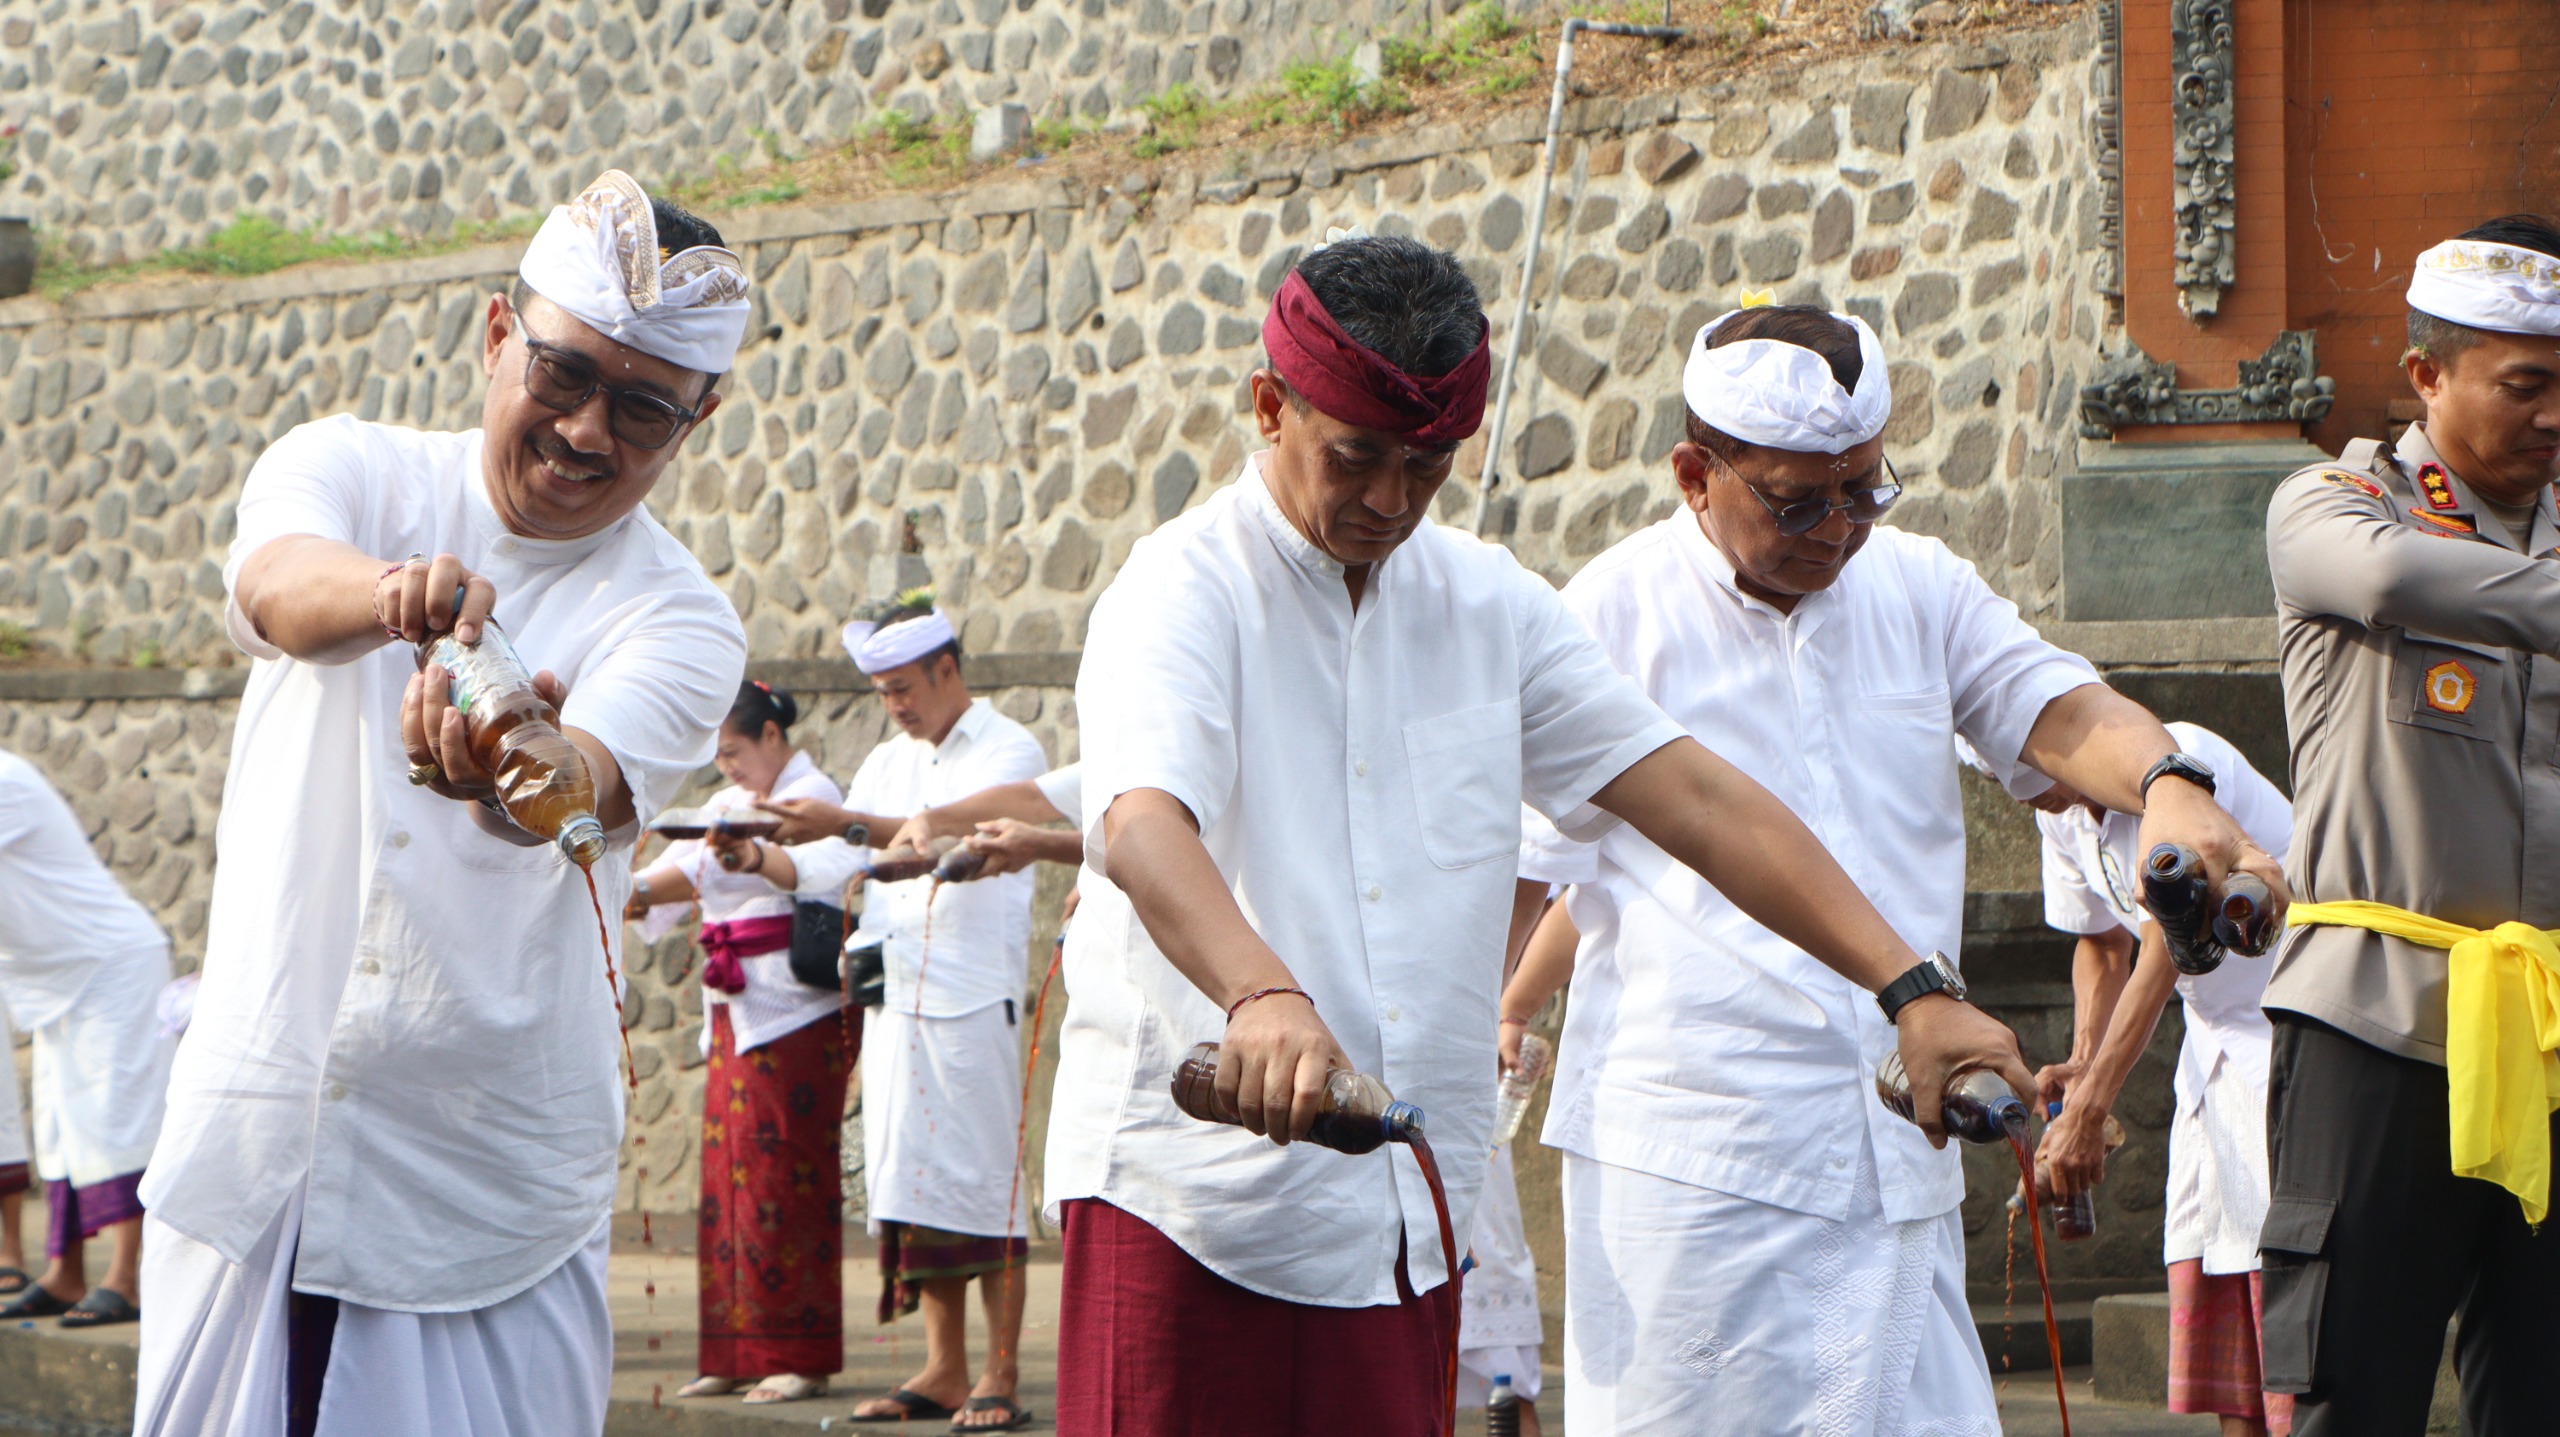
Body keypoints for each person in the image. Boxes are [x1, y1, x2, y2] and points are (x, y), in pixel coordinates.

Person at [1043, 234, 2046, 1437]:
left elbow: (1696, 798)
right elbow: (1142, 822)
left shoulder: (1489, 605)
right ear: (1270, 407)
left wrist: (1911, 989)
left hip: (1400, 1205)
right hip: (1191, 1194)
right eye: (1355, 459)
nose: (1390, 502)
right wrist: (1260, 994)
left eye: (1427, 466)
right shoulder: (1180, 587)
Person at [1493, 304, 2288, 1435]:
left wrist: (2167, 780)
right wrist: (1485, 1022)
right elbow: (1530, 872)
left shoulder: (1916, 584)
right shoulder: (1609, 613)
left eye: (1864, 490)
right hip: (1697, 1160)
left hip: (1900, 1142)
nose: (1837, 528)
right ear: (1693, 475)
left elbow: (2056, 709)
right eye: (1797, 501)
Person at [132, 169, 750, 1437]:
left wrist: (499, 779)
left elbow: (580, 784)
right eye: (562, 375)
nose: (587, 432)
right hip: (262, 1151)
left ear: (699, 418)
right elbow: (277, 589)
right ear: (495, 335)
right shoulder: (350, 468)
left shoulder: (682, 618)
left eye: (643, 409)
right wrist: (393, 599)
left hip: (484, 1193)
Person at [2258, 213, 2560, 1434]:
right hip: (2376, 1023)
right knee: (2355, 1390)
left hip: (2547, 1035)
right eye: (2525, 386)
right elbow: (2387, 580)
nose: (2553, 417)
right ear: (2426, 374)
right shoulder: (2332, 504)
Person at [750, 601, 1047, 1432]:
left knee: (984, 1183)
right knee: (916, 1182)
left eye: (903, 687)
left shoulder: (1008, 750)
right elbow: (843, 857)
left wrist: (847, 823)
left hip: (968, 997)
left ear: (947, 668)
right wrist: (762, 855)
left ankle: (999, 1369)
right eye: (882, 692)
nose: (895, 705)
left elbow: (949, 842)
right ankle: (944, 1367)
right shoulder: (886, 759)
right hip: (895, 993)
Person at [1981, 724, 2294, 1437]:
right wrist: (2083, 1058)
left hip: (2288, 1026)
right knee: (2219, 1283)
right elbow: (2100, 941)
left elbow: (2163, 941)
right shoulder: (2062, 816)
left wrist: (2092, 1104)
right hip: (2213, 1044)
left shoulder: (2177, 769)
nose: (2026, 793)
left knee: (2282, 1281)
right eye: (2006, 779)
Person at [627, 680, 853, 1405]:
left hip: (796, 1012)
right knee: (727, 1181)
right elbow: (682, 871)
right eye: (718, 756)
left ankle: (794, 1353)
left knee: (785, 1177)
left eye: (734, 750)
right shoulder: (725, 806)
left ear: (772, 738)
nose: (726, 766)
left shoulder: (813, 798)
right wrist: (623, 885)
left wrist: (655, 886)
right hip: (734, 1009)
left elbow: (759, 873)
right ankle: (732, 1347)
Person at [0, 749, 175, 1329]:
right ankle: (65, 1275)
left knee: (118, 1122)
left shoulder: (4, 779)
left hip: (110, 965)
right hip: (57, 982)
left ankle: (126, 1280)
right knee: (60, 1132)